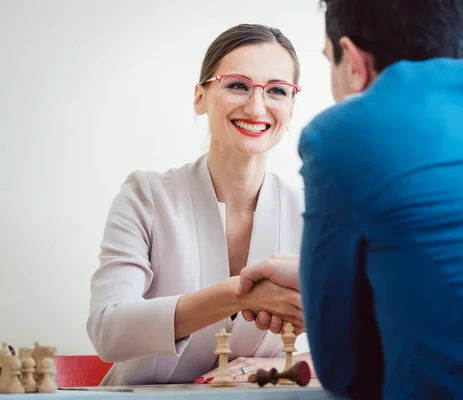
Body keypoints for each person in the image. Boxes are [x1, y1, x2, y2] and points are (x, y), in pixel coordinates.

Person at [241, 0, 463, 399]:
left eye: (330, 62)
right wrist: (314, 276)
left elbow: (346, 371)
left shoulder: (346, 133)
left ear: (355, 63)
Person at [86, 23, 313, 386]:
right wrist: (242, 294)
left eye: (276, 91)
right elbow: (108, 329)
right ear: (200, 96)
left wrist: (291, 364)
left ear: (291, 105)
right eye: (237, 85)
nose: (257, 107)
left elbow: (368, 336)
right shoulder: (146, 195)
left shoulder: (311, 213)